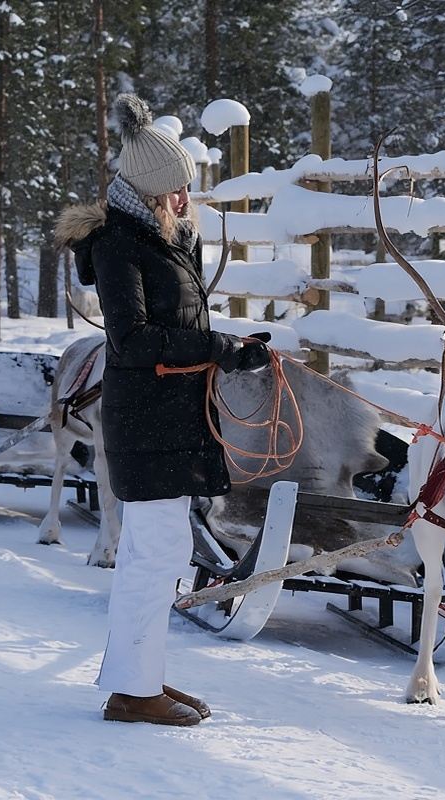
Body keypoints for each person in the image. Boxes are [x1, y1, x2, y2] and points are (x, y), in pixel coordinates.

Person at [56, 92, 271, 726]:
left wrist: (228, 348)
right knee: (153, 558)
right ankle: (132, 691)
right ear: (150, 191)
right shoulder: (122, 247)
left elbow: (174, 322)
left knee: (163, 556)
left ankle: (140, 679)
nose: (186, 199)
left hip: (171, 420)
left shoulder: (164, 240)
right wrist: (220, 349)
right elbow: (134, 340)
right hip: (147, 424)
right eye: (176, 190)